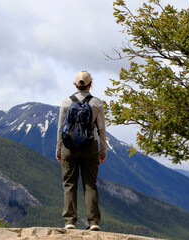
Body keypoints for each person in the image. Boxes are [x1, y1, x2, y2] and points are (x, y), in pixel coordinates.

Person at [56, 71, 107, 231]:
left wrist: (59, 150)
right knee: (90, 183)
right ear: (90, 84)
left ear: (75, 84)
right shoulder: (96, 103)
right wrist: (103, 151)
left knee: (69, 183)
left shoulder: (66, 102)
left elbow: (60, 128)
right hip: (90, 145)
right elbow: (101, 129)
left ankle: (69, 221)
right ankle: (93, 223)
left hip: (69, 146)